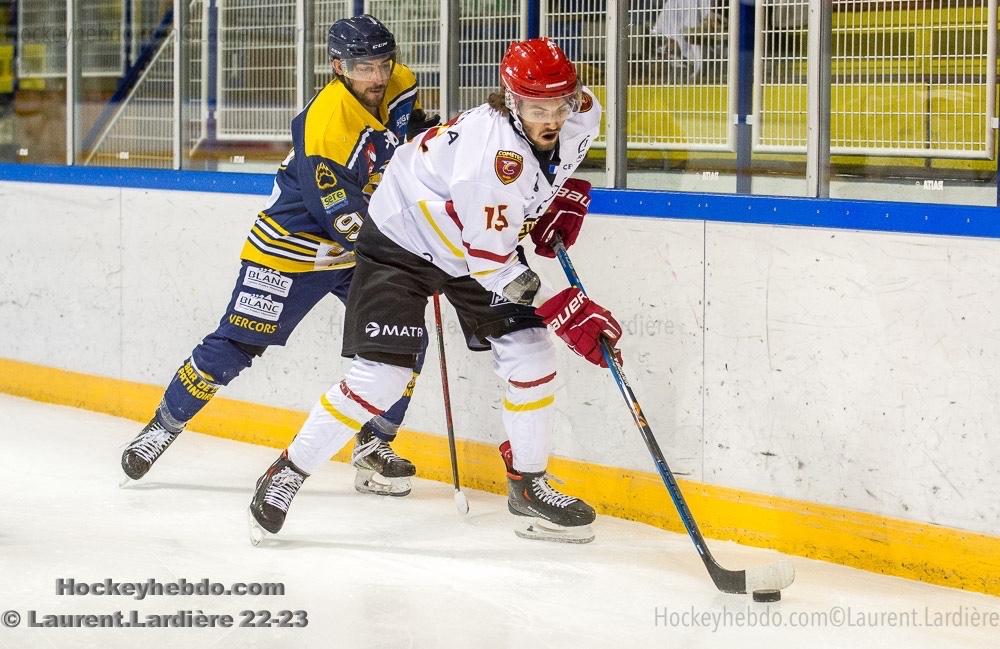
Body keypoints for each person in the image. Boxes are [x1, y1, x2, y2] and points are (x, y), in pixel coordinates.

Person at [247, 37, 624, 545]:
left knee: (531, 353)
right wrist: (565, 307)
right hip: (404, 240)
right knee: (381, 378)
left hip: (467, 238)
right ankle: (288, 473)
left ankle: (528, 486)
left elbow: (554, 169)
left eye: (559, 103)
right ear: (511, 101)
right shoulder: (491, 163)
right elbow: (493, 265)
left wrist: (566, 192)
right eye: (537, 107)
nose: (551, 118)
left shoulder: (580, 112)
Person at [120, 15, 438, 497]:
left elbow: (392, 133)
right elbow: (344, 216)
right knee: (235, 346)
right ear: (338, 67)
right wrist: (409, 256)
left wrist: (415, 134)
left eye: (382, 63)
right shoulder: (324, 126)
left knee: (403, 340)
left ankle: (374, 447)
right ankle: (162, 427)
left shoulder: (399, 81)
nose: (376, 76)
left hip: (356, 250)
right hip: (292, 247)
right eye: (362, 67)